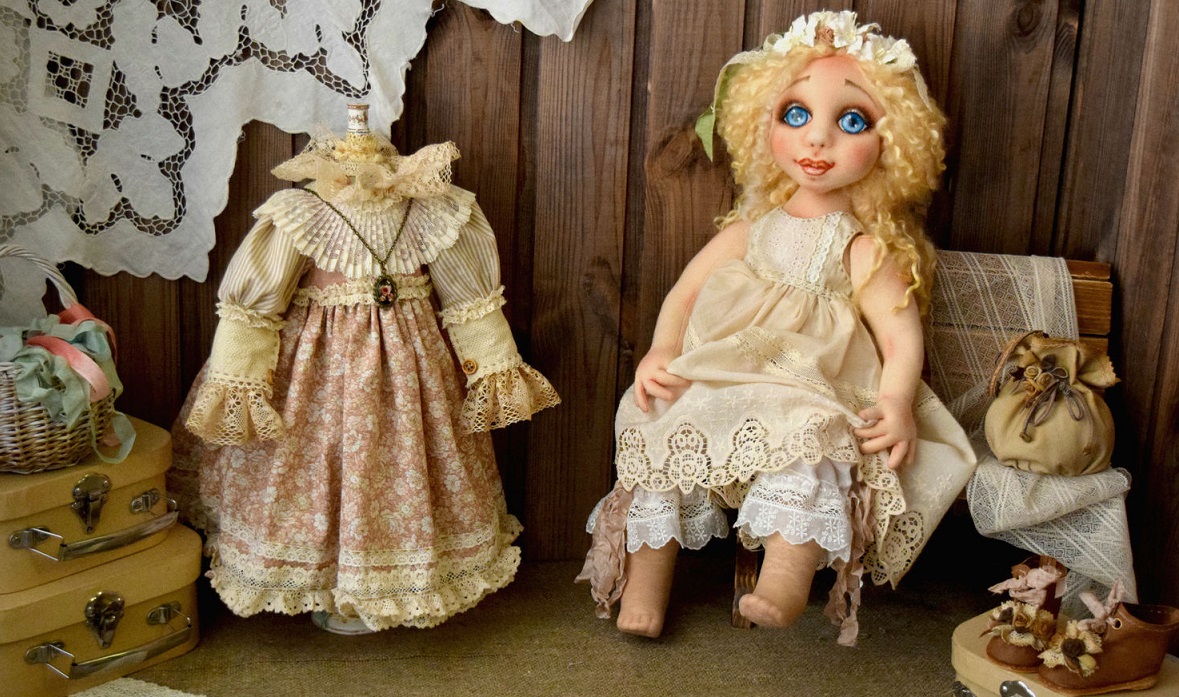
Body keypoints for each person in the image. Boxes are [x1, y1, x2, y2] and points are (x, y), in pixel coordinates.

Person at [577, 11, 976, 646]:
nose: (817, 140)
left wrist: (897, 401)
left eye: (851, 122)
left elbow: (900, 337)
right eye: (795, 114)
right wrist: (662, 349)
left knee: (810, 441)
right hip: (721, 369)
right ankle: (645, 587)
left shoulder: (861, 247)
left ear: (894, 144)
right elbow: (686, 292)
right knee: (660, 422)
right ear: (762, 123)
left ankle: (784, 582)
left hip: (807, 382)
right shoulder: (752, 229)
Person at [170, 104, 559, 634]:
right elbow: (254, 306)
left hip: (410, 370)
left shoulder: (431, 207)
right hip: (317, 369)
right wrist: (238, 383)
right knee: (314, 464)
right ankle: (327, 581)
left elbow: (470, 300)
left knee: (402, 464)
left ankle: (381, 587)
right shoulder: (301, 210)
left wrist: (493, 369)